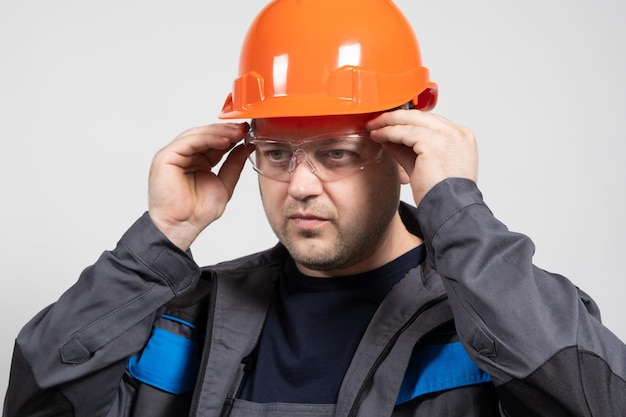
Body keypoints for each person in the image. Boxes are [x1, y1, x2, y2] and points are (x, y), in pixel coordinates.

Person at [4, 0, 626, 416]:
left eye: (335, 153)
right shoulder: (183, 317)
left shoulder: (493, 315)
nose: (299, 184)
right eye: (276, 152)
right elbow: (35, 405)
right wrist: (159, 240)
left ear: (404, 147)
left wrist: (457, 212)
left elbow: (597, 402)